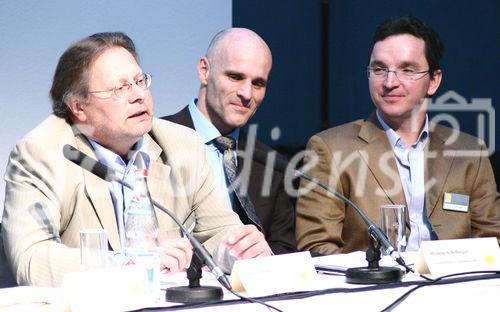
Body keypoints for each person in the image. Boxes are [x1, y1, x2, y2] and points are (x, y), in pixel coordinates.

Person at [1, 32, 270, 287]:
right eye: (120, 88)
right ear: (79, 107)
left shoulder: (181, 144)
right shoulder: (41, 155)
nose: (139, 96)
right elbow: (31, 260)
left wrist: (239, 249)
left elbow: (218, 230)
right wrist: (130, 264)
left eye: (140, 82)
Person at [296, 16, 500, 255]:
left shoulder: (469, 152)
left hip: (452, 286)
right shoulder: (330, 149)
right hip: (373, 288)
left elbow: (492, 241)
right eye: (379, 69)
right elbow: (316, 247)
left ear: (433, 81)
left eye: (407, 70)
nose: (390, 82)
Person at [162, 28, 296, 254]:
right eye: (235, 77)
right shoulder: (153, 143)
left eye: (258, 83)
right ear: (204, 71)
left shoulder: (271, 164)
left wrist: (266, 256)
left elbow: (285, 249)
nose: (246, 93)